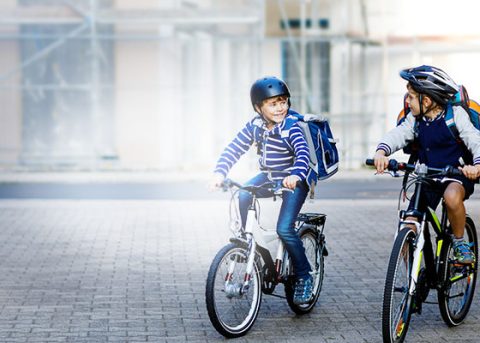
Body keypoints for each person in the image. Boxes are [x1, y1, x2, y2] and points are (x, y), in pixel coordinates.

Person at [209, 76, 313, 304]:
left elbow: (303, 154)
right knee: (244, 193)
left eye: (283, 102)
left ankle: (304, 276)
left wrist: (295, 175)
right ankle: (248, 242)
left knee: (285, 228)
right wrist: (219, 173)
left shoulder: (291, 127)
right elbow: (234, 148)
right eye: (273, 103)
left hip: (294, 180)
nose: (280, 108)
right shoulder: (255, 126)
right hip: (269, 176)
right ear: (258, 107)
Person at [373, 65, 480, 264]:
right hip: (428, 177)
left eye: (411, 96)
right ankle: (413, 278)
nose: (407, 101)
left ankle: (459, 242)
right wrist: (382, 152)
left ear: (427, 100)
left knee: (451, 197)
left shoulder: (455, 116)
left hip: (456, 175)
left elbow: (475, 140)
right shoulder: (415, 120)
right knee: (408, 223)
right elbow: (398, 134)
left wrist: (476, 165)